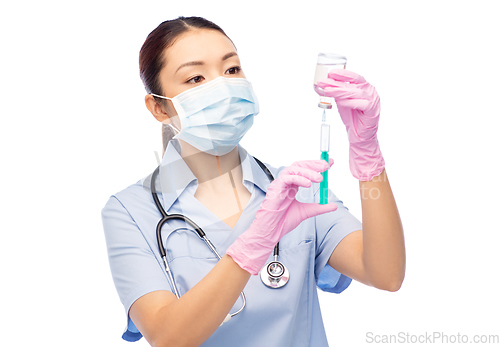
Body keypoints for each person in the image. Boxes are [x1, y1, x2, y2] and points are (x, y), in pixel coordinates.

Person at [101, 16, 405, 347]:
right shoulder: (129, 210)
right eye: (196, 78)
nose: (224, 87)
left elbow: (386, 274)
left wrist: (368, 157)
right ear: (159, 107)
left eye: (231, 70)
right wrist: (254, 243)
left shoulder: (297, 186)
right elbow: (169, 337)